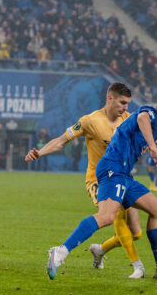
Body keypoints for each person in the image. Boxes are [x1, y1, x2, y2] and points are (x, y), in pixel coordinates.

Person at [44, 95, 157, 280]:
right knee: (106, 216)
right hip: (112, 168)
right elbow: (141, 118)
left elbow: (155, 148)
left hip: (125, 175)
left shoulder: (152, 131)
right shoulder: (149, 113)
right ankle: (60, 252)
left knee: (156, 208)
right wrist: (153, 146)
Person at [25, 83, 146, 279]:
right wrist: (40, 153)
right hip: (99, 180)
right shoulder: (90, 121)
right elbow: (61, 140)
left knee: (136, 233)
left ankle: (99, 250)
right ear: (110, 98)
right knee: (115, 215)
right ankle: (136, 267)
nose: (125, 107)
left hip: (122, 177)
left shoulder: (127, 120)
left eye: (127, 104)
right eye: (122, 103)